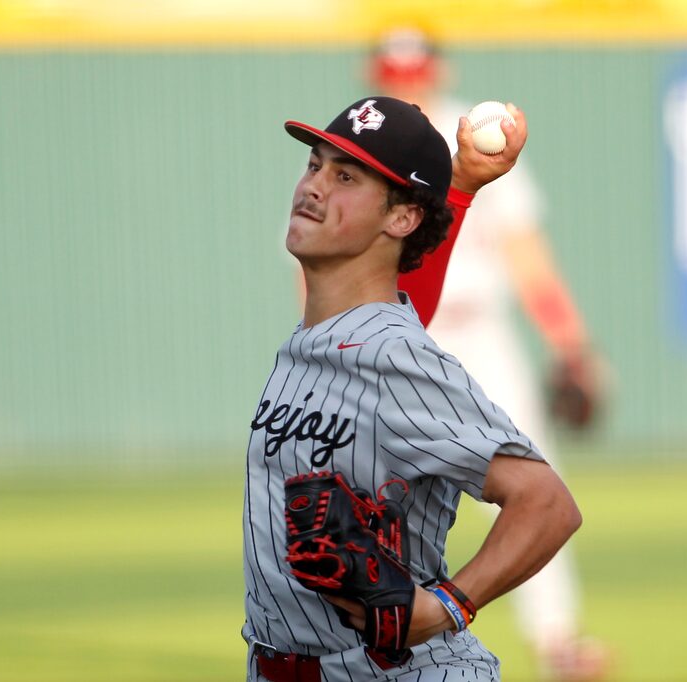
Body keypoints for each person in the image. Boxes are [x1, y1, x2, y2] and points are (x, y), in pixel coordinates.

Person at [241, 95, 582, 682]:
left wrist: (450, 603)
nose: (314, 185)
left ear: (401, 218)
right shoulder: (322, 341)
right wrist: (462, 185)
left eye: (345, 176)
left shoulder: (392, 356)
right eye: (315, 164)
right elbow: (383, 312)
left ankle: (558, 635)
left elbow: (547, 503)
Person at [370, 28, 609, 681]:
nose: (407, 83)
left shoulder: (478, 135)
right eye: (394, 72)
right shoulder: (359, 144)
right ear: (375, 71)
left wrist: (571, 342)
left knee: (535, 477)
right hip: (403, 336)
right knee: (382, 496)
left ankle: (558, 639)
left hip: (481, 334)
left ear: (437, 70)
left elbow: (525, 254)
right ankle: (374, 646)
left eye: (416, 71)